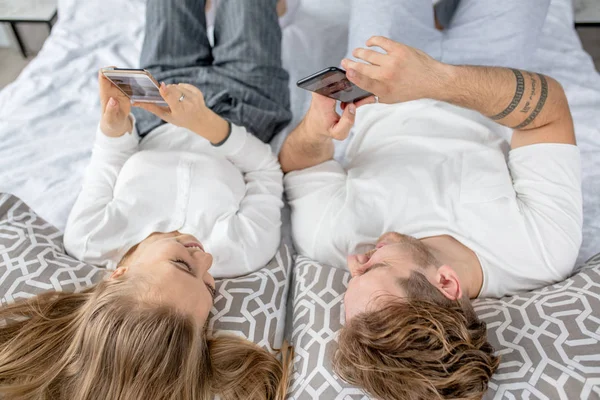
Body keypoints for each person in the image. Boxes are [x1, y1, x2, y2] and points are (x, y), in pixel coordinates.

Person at [279, 0, 582, 398]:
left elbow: (297, 164)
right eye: (370, 269)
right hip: (487, 83)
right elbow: (548, 109)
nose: (353, 261)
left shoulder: (330, 238)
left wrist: (315, 131)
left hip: (377, 86)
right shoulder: (540, 250)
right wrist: (435, 80)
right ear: (446, 283)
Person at [0, 0, 292, 399]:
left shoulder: (90, 237)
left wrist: (114, 124)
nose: (206, 258)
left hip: (159, 105)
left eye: (182, 264)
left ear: (117, 274)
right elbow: (265, 170)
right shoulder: (243, 252)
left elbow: (110, 159)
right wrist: (208, 125)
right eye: (209, 288)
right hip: (247, 106)